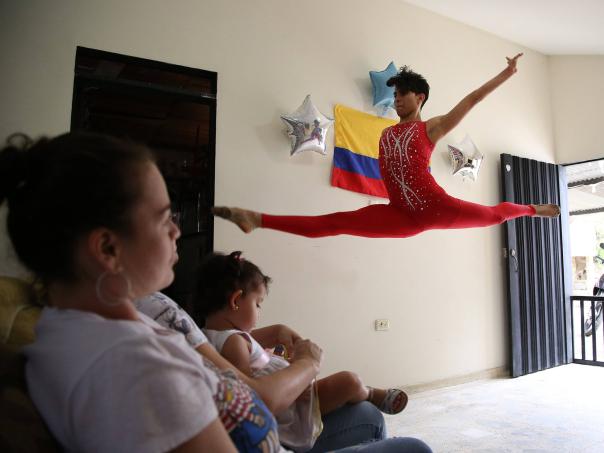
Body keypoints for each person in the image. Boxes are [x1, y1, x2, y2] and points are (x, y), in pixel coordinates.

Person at [0, 131, 432, 453]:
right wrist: (306, 362)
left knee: (367, 416)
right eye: (163, 218)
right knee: (413, 448)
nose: (176, 231)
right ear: (108, 249)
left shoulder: (76, 325)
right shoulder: (136, 368)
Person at [213, 54, 560, 238]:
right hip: (398, 214)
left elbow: (471, 100)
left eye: (402, 94)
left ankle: (532, 209)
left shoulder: (431, 127)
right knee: (334, 223)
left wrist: (505, 75)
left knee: (495, 215)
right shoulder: (385, 134)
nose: (396, 100)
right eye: (394, 95)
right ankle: (257, 219)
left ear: (419, 97)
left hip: (437, 207)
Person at [196, 251, 408, 450]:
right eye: (258, 304)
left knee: (353, 400)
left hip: (293, 401)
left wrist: (279, 342)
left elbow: (267, 337)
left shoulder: (207, 337)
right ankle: (370, 393)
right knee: (349, 381)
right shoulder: (234, 342)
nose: (259, 312)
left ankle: (372, 437)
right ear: (235, 301)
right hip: (294, 409)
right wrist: (298, 372)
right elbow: (250, 399)